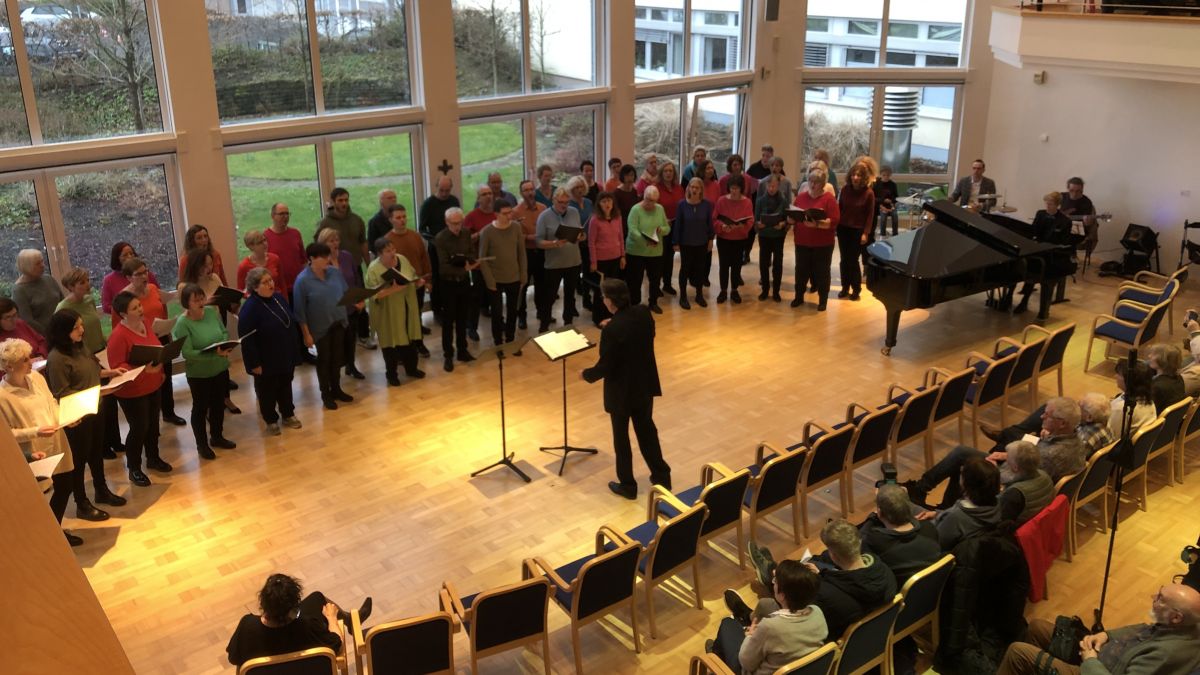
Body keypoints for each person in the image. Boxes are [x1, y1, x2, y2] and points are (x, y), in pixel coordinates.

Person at [908, 397, 1084, 510]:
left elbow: (1021, 478)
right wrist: (1007, 455)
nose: (1041, 418)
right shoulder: (1073, 439)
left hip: (1009, 487)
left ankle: (939, 505)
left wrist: (991, 468)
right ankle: (926, 492)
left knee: (966, 464)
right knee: (962, 453)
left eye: (1047, 416)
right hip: (1017, 470)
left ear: (1062, 424)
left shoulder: (1053, 454)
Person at [582, 279, 671, 499]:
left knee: (621, 439)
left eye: (604, 297)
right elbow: (639, 333)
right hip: (644, 385)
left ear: (610, 301)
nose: (603, 300)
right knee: (647, 432)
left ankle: (628, 486)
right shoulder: (643, 313)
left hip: (621, 392)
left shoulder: (612, 330)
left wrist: (586, 375)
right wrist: (613, 323)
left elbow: (606, 365)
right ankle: (662, 476)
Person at [996, 582, 1200, 675]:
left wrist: (1090, 660)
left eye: (1160, 599)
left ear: (1176, 617)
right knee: (1037, 626)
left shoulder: (1165, 653)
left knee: (1017, 652)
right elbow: (1143, 628)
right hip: (1099, 657)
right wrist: (1105, 635)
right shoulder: (1185, 626)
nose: (1152, 598)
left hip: (1093, 668)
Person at [45, 309, 129, 519]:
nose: (82, 330)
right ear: (63, 331)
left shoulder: (79, 346)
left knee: (96, 452)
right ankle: (81, 503)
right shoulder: (56, 358)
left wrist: (111, 373)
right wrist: (98, 392)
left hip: (95, 407)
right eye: (76, 328)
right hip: (78, 417)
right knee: (79, 460)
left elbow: (91, 370)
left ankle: (101, 490)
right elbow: (62, 393)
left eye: (81, 325)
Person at [0, 337, 80, 545]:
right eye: (25, 359)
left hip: (57, 440)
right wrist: (35, 431)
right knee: (41, 496)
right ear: (9, 366)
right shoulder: (3, 396)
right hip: (34, 450)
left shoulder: (36, 377)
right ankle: (46, 537)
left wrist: (65, 418)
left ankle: (56, 530)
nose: (31, 361)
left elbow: (51, 403)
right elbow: (7, 435)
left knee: (65, 485)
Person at [226, 573, 372, 668]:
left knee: (316, 597)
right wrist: (332, 618)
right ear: (294, 606)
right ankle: (351, 622)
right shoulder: (306, 627)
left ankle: (352, 622)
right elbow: (337, 644)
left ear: (263, 603)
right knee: (317, 598)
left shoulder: (247, 626)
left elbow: (233, 658)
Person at [709, 560, 827, 675]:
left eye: (775, 581)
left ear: (782, 595)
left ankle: (717, 661)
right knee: (766, 605)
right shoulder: (818, 613)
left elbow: (746, 663)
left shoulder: (770, 627)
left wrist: (750, 636)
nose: (773, 583)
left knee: (728, 624)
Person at [107, 291, 170, 486]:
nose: (141, 309)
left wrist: (159, 367)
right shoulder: (118, 336)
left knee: (153, 425)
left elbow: (156, 347)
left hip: (153, 384)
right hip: (132, 391)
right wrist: (144, 368)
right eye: (135, 308)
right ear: (123, 314)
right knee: (139, 428)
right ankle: (134, 468)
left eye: (139, 305)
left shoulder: (146, 324)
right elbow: (117, 367)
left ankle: (153, 458)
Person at [121, 257, 187, 426]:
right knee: (150, 378)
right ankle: (150, 419)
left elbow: (161, 309)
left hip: (161, 336)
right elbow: (120, 326)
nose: (144, 276)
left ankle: (169, 412)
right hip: (142, 342)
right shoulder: (125, 297)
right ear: (128, 278)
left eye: (146, 272)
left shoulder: (153, 288)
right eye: (138, 274)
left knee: (166, 375)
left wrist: (166, 326)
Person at [174, 284, 236, 460]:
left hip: (220, 368)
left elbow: (224, 332)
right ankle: (202, 445)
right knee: (200, 409)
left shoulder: (211, 312)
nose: (201, 302)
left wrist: (224, 345)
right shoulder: (182, 323)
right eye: (196, 300)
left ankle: (217, 436)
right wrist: (212, 354)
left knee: (218, 405)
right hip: (199, 374)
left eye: (202, 298)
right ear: (187, 303)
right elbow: (187, 353)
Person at [807, 519, 898, 640]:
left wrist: (822, 576)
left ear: (832, 555)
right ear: (859, 542)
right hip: (880, 636)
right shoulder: (885, 570)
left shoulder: (826, 594)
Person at [238, 267, 302, 436]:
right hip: (265, 359)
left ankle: (288, 413)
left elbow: (290, 323)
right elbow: (247, 339)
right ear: (255, 287)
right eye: (265, 282)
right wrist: (254, 364)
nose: (271, 284)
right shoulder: (250, 308)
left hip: (285, 353)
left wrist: (295, 350)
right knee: (267, 391)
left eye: (271, 280)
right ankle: (271, 420)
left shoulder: (279, 298)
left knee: (285, 386)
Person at [293, 242, 355, 411]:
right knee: (324, 361)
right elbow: (300, 311)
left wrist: (356, 301)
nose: (328, 259)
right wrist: (306, 334)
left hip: (338, 323)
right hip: (320, 329)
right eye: (323, 257)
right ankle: (325, 393)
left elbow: (345, 292)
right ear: (312, 259)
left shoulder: (334, 273)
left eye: (328, 255)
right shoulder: (303, 281)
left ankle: (337, 389)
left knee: (337, 359)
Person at [983, 392, 1116, 460]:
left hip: (1046, 453)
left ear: (1089, 417)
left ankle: (997, 445)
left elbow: (1058, 453)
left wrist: (1050, 437)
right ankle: (1001, 439)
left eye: (1080, 406)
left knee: (1013, 437)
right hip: (1054, 444)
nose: (1076, 406)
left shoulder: (1085, 439)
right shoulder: (1101, 426)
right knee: (1049, 409)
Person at [316, 187, 372, 350]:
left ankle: (363, 335)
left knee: (359, 302)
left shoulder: (356, 220)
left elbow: (363, 242)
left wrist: (368, 263)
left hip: (353, 266)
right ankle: (343, 337)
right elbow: (319, 244)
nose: (344, 203)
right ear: (333, 202)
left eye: (346, 200)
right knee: (340, 304)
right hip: (333, 268)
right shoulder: (326, 222)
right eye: (340, 200)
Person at [366, 238, 426, 385]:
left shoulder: (402, 259)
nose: (392, 253)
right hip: (388, 312)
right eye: (388, 251)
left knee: (409, 339)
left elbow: (411, 275)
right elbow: (372, 295)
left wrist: (418, 282)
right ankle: (391, 374)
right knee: (390, 344)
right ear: (379, 254)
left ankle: (411, 368)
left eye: (393, 249)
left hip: (406, 306)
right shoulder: (373, 269)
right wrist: (392, 290)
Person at [857, 484, 942, 587]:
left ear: (879, 513)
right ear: (909, 507)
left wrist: (872, 516)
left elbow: (857, 544)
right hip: (932, 590)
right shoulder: (929, 528)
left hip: (898, 596)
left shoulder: (874, 542)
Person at [917, 457, 1003, 551]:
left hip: (932, 545)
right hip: (946, 527)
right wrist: (938, 514)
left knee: (907, 508)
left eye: (962, 474)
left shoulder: (956, 517)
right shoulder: (997, 503)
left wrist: (916, 526)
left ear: (965, 483)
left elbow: (937, 543)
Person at [433, 207, 479, 372]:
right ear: (447, 222)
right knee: (448, 321)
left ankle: (462, 350)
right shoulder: (441, 238)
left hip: (464, 282)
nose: (457, 226)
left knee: (462, 318)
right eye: (454, 223)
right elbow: (443, 267)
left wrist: (471, 261)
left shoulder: (466, 233)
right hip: (448, 284)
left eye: (459, 222)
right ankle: (448, 354)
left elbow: (471, 252)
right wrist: (464, 268)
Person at [316, 228, 365, 381]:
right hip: (334, 311)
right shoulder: (321, 262)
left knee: (351, 339)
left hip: (350, 307)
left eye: (337, 239)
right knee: (336, 345)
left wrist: (360, 299)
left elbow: (356, 278)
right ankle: (335, 373)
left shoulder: (347, 256)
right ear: (323, 243)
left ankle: (351, 366)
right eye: (331, 241)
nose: (335, 243)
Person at [790, 166, 841, 311]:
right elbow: (795, 214)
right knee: (801, 270)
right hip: (802, 241)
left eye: (816, 182)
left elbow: (835, 220)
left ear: (823, 184)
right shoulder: (801, 197)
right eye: (811, 181)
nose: (813, 184)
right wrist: (791, 219)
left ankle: (822, 300)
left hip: (822, 244)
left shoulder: (829, 199)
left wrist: (817, 224)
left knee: (822, 272)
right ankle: (798, 297)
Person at [1013, 191, 1073, 314]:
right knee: (1025, 267)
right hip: (1037, 249)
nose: (1047, 206)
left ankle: (1028, 303)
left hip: (1051, 255)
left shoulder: (1064, 221)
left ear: (1058, 205)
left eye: (1050, 204)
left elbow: (1064, 241)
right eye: (1047, 203)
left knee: (1036, 270)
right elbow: (1033, 231)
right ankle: (1021, 300)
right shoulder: (1040, 214)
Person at [383, 203, 433, 348]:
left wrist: (427, 280)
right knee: (403, 318)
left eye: (404, 216)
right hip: (399, 287)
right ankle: (404, 347)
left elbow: (424, 258)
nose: (402, 220)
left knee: (416, 315)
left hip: (417, 283)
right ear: (391, 220)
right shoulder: (387, 240)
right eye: (398, 217)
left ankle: (419, 343)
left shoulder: (415, 236)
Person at [535, 188, 582, 332]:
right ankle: (544, 325)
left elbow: (579, 233)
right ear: (553, 200)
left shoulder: (574, 211)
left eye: (567, 202)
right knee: (549, 297)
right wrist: (554, 243)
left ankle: (568, 324)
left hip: (573, 261)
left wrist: (580, 236)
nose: (564, 205)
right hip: (554, 264)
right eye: (561, 202)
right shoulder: (544, 216)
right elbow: (538, 242)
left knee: (570, 295)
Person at [418, 176, 461, 321]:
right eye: (441, 190)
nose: (444, 193)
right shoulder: (428, 204)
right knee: (437, 278)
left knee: (452, 276)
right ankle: (437, 310)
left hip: (452, 245)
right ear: (436, 187)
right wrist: (436, 241)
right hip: (436, 247)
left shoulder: (454, 201)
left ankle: (453, 307)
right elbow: (422, 229)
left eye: (447, 190)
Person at [625, 185, 671, 313]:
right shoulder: (635, 209)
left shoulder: (660, 209)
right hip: (636, 251)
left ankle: (653, 302)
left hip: (655, 251)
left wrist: (661, 230)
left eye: (653, 201)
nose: (649, 203)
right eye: (647, 199)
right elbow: (632, 230)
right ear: (643, 197)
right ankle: (635, 303)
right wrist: (646, 241)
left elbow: (667, 228)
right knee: (635, 279)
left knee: (655, 279)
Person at [836, 159, 876, 301]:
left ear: (864, 177)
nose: (855, 177)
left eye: (858, 175)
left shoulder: (869, 193)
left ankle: (856, 289)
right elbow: (839, 208)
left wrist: (866, 233)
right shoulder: (845, 190)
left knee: (853, 260)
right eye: (853, 174)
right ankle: (844, 287)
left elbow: (870, 215)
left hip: (858, 231)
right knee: (843, 260)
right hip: (843, 229)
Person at [674, 178, 715, 309]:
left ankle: (699, 295)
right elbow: (678, 225)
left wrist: (710, 240)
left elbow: (710, 224)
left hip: (702, 242)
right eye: (692, 186)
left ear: (701, 189)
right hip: (686, 243)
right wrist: (675, 242)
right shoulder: (682, 204)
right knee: (685, 270)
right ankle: (683, 297)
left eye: (697, 187)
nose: (694, 189)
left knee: (700, 269)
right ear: (688, 188)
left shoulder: (706, 204)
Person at [586, 192, 626, 324]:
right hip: (601, 261)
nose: (607, 204)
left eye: (609, 201)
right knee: (601, 291)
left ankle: (611, 315)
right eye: (604, 201)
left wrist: (622, 256)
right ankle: (598, 318)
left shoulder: (617, 217)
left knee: (613, 290)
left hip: (615, 258)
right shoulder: (595, 220)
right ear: (599, 204)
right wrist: (593, 262)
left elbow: (621, 237)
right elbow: (591, 242)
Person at [714, 175, 754, 304]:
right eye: (732, 188)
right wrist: (722, 226)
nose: (734, 191)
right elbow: (715, 219)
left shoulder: (747, 202)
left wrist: (742, 226)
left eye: (736, 188)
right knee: (724, 265)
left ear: (741, 188)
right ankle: (723, 290)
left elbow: (750, 220)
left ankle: (734, 290)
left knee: (737, 266)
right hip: (724, 238)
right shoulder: (721, 200)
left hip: (739, 239)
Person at [513, 179, 547, 330]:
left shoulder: (543, 208)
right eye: (526, 190)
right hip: (525, 253)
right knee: (523, 286)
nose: (530, 192)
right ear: (521, 193)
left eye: (531, 189)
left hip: (541, 252)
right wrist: (528, 237)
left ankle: (542, 313)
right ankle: (522, 317)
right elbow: (514, 236)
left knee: (541, 285)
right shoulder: (516, 212)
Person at [998, 441, 1054, 524]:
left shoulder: (1014, 493)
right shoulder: (1045, 475)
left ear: (1015, 468)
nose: (1006, 459)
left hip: (1018, 530)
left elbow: (1000, 522)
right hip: (1038, 525)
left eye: (1008, 457)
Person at [12, 248, 63, 337]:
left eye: (42, 261)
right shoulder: (19, 290)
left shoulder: (49, 279)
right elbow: (27, 321)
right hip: (44, 336)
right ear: (27, 266)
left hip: (64, 328)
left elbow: (63, 302)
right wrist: (50, 334)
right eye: (37, 264)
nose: (43, 265)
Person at [263, 203, 307, 307]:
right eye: (281, 214)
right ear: (273, 216)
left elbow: (303, 260)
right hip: (278, 290)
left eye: (287, 214)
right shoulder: (265, 237)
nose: (285, 217)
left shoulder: (295, 234)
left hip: (298, 287)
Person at [54, 268, 105, 356]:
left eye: (87, 280)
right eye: (82, 283)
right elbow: (61, 335)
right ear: (71, 287)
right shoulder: (63, 307)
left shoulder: (89, 300)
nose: (87, 284)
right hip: (82, 354)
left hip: (100, 348)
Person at [755, 175, 789, 302]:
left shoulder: (784, 201)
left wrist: (782, 224)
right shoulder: (760, 201)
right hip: (764, 236)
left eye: (774, 186)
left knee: (778, 264)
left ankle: (776, 291)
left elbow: (787, 219)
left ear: (778, 186)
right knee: (764, 263)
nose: (771, 188)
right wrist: (759, 224)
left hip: (778, 236)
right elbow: (756, 218)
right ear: (766, 186)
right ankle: (765, 290)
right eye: (769, 186)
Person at [101, 242, 160, 314]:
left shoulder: (147, 274)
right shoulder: (109, 280)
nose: (129, 257)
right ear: (117, 258)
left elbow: (159, 296)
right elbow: (106, 307)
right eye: (125, 255)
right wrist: (127, 309)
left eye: (131, 254)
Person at [1111, 359, 1157, 437]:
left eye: (1119, 374)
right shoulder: (1147, 399)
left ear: (1130, 381)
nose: (1115, 376)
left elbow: (1113, 437)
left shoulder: (1122, 409)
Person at [237, 229, 285, 300]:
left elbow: (282, 284)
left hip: (277, 300)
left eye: (264, 240)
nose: (264, 244)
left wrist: (285, 302)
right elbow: (241, 290)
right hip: (258, 304)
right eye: (260, 242)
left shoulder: (275, 259)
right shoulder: (244, 266)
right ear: (251, 246)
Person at [1147, 343, 1187, 413]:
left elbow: (1148, 411)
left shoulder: (1157, 387)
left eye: (1154, 354)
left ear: (1163, 360)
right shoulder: (1179, 378)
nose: (1149, 356)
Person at [873, 166, 899, 238]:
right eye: (884, 175)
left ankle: (895, 234)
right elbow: (873, 198)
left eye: (888, 175)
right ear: (880, 174)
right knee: (883, 218)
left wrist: (892, 201)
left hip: (891, 205)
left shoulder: (893, 184)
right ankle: (883, 235)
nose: (886, 177)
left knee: (895, 216)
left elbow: (896, 197)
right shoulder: (876, 184)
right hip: (880, 205)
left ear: (890, 175)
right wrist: (883, 200)